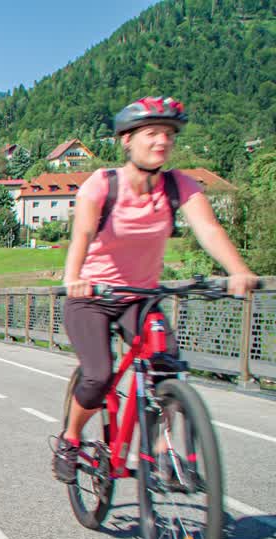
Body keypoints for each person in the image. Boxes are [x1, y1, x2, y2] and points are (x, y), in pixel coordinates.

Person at [52, 97, 259, 483]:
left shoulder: (179, 185)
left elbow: (209, 229)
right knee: (98, 375)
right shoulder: (103, 184)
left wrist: (238, 270)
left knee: (167, 366)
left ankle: (164, 451)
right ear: (127, 141)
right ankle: (71, 437)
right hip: (93, 296)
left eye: (168, 134)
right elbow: (81, 231)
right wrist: (73, 276)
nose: (162, 141)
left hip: (142, 297)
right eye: (151, 133)